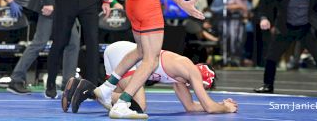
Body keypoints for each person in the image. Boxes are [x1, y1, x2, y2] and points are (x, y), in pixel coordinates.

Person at [63, 41, 238, 115]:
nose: (196, 89)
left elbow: (191, 106)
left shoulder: (180, 80)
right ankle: (88, 90)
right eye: (200, 87)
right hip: (128, 55)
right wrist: (226, 109)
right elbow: (208, 106)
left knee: (111, 103)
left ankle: (84, 88)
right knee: (140, 106)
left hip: (121, 53)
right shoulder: (189, 68)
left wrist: (220, 105)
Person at [254, 0, 317, 93]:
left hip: (306, 28)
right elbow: (264, 1)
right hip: (286, 28)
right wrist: (263, 18)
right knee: (271, 56)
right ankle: (267, 85)